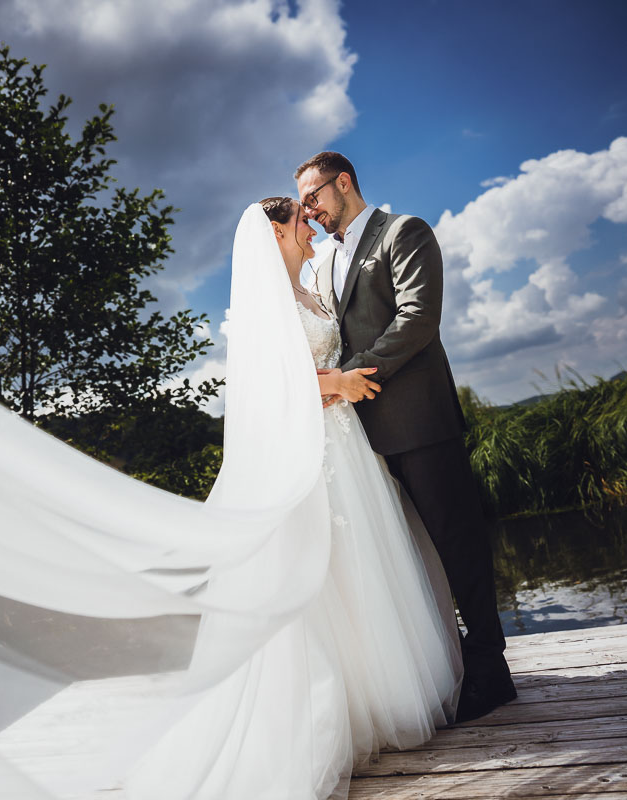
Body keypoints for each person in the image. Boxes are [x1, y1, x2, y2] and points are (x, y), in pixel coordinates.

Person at [124, 199, 462, 799]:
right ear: (277, 232)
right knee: (320, 574)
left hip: (348, 445)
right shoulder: (264, 304)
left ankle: (380, 694)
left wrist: (343, 380)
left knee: (364, 568)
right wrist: (339, 382)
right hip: (312, 451)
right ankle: (324, 716)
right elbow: (268, 384)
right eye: (301, 222)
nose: (312, 228)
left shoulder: (311, 290)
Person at [294, 151, 516, 722]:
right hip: (359, 443)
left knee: (457, 543)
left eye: (314, 197)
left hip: (419, 422)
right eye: (303, 204)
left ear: (344, 182)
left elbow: (418, 318)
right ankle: (446, 666)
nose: (309, 210)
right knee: (409, 556)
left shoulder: (403, 232)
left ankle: (491, 670)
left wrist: (351, 379)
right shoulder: (324, 262)